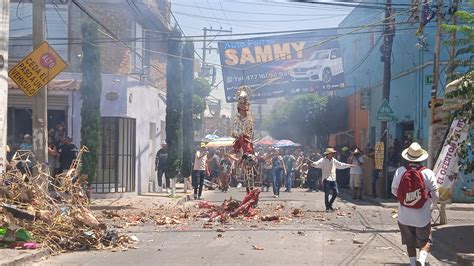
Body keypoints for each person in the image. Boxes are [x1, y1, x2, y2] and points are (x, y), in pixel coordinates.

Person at [391, 142, 438, 266]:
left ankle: (413, 264)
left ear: (407, 157)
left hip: (404, 217)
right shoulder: (428, 173)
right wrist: (432, 206)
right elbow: (435, 194)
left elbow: (394, 190)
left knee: (409, 243)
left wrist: (405, 200)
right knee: (426, 241)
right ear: (421, 158)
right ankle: (421, 261)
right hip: (422, 216)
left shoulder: (400, 171)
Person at [312, 147, 353, 212]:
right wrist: (314, 164)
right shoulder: (323, 160)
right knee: (327, 194)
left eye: (333, 153)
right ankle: (327, 207)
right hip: (326, 179)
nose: (333, 154)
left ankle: (330, 204)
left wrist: (349, 165)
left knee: (335, 193)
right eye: (331, 153)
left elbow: (340, 165)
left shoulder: (334, 160)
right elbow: (317, 163)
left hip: (333, 179)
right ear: (328, 154)